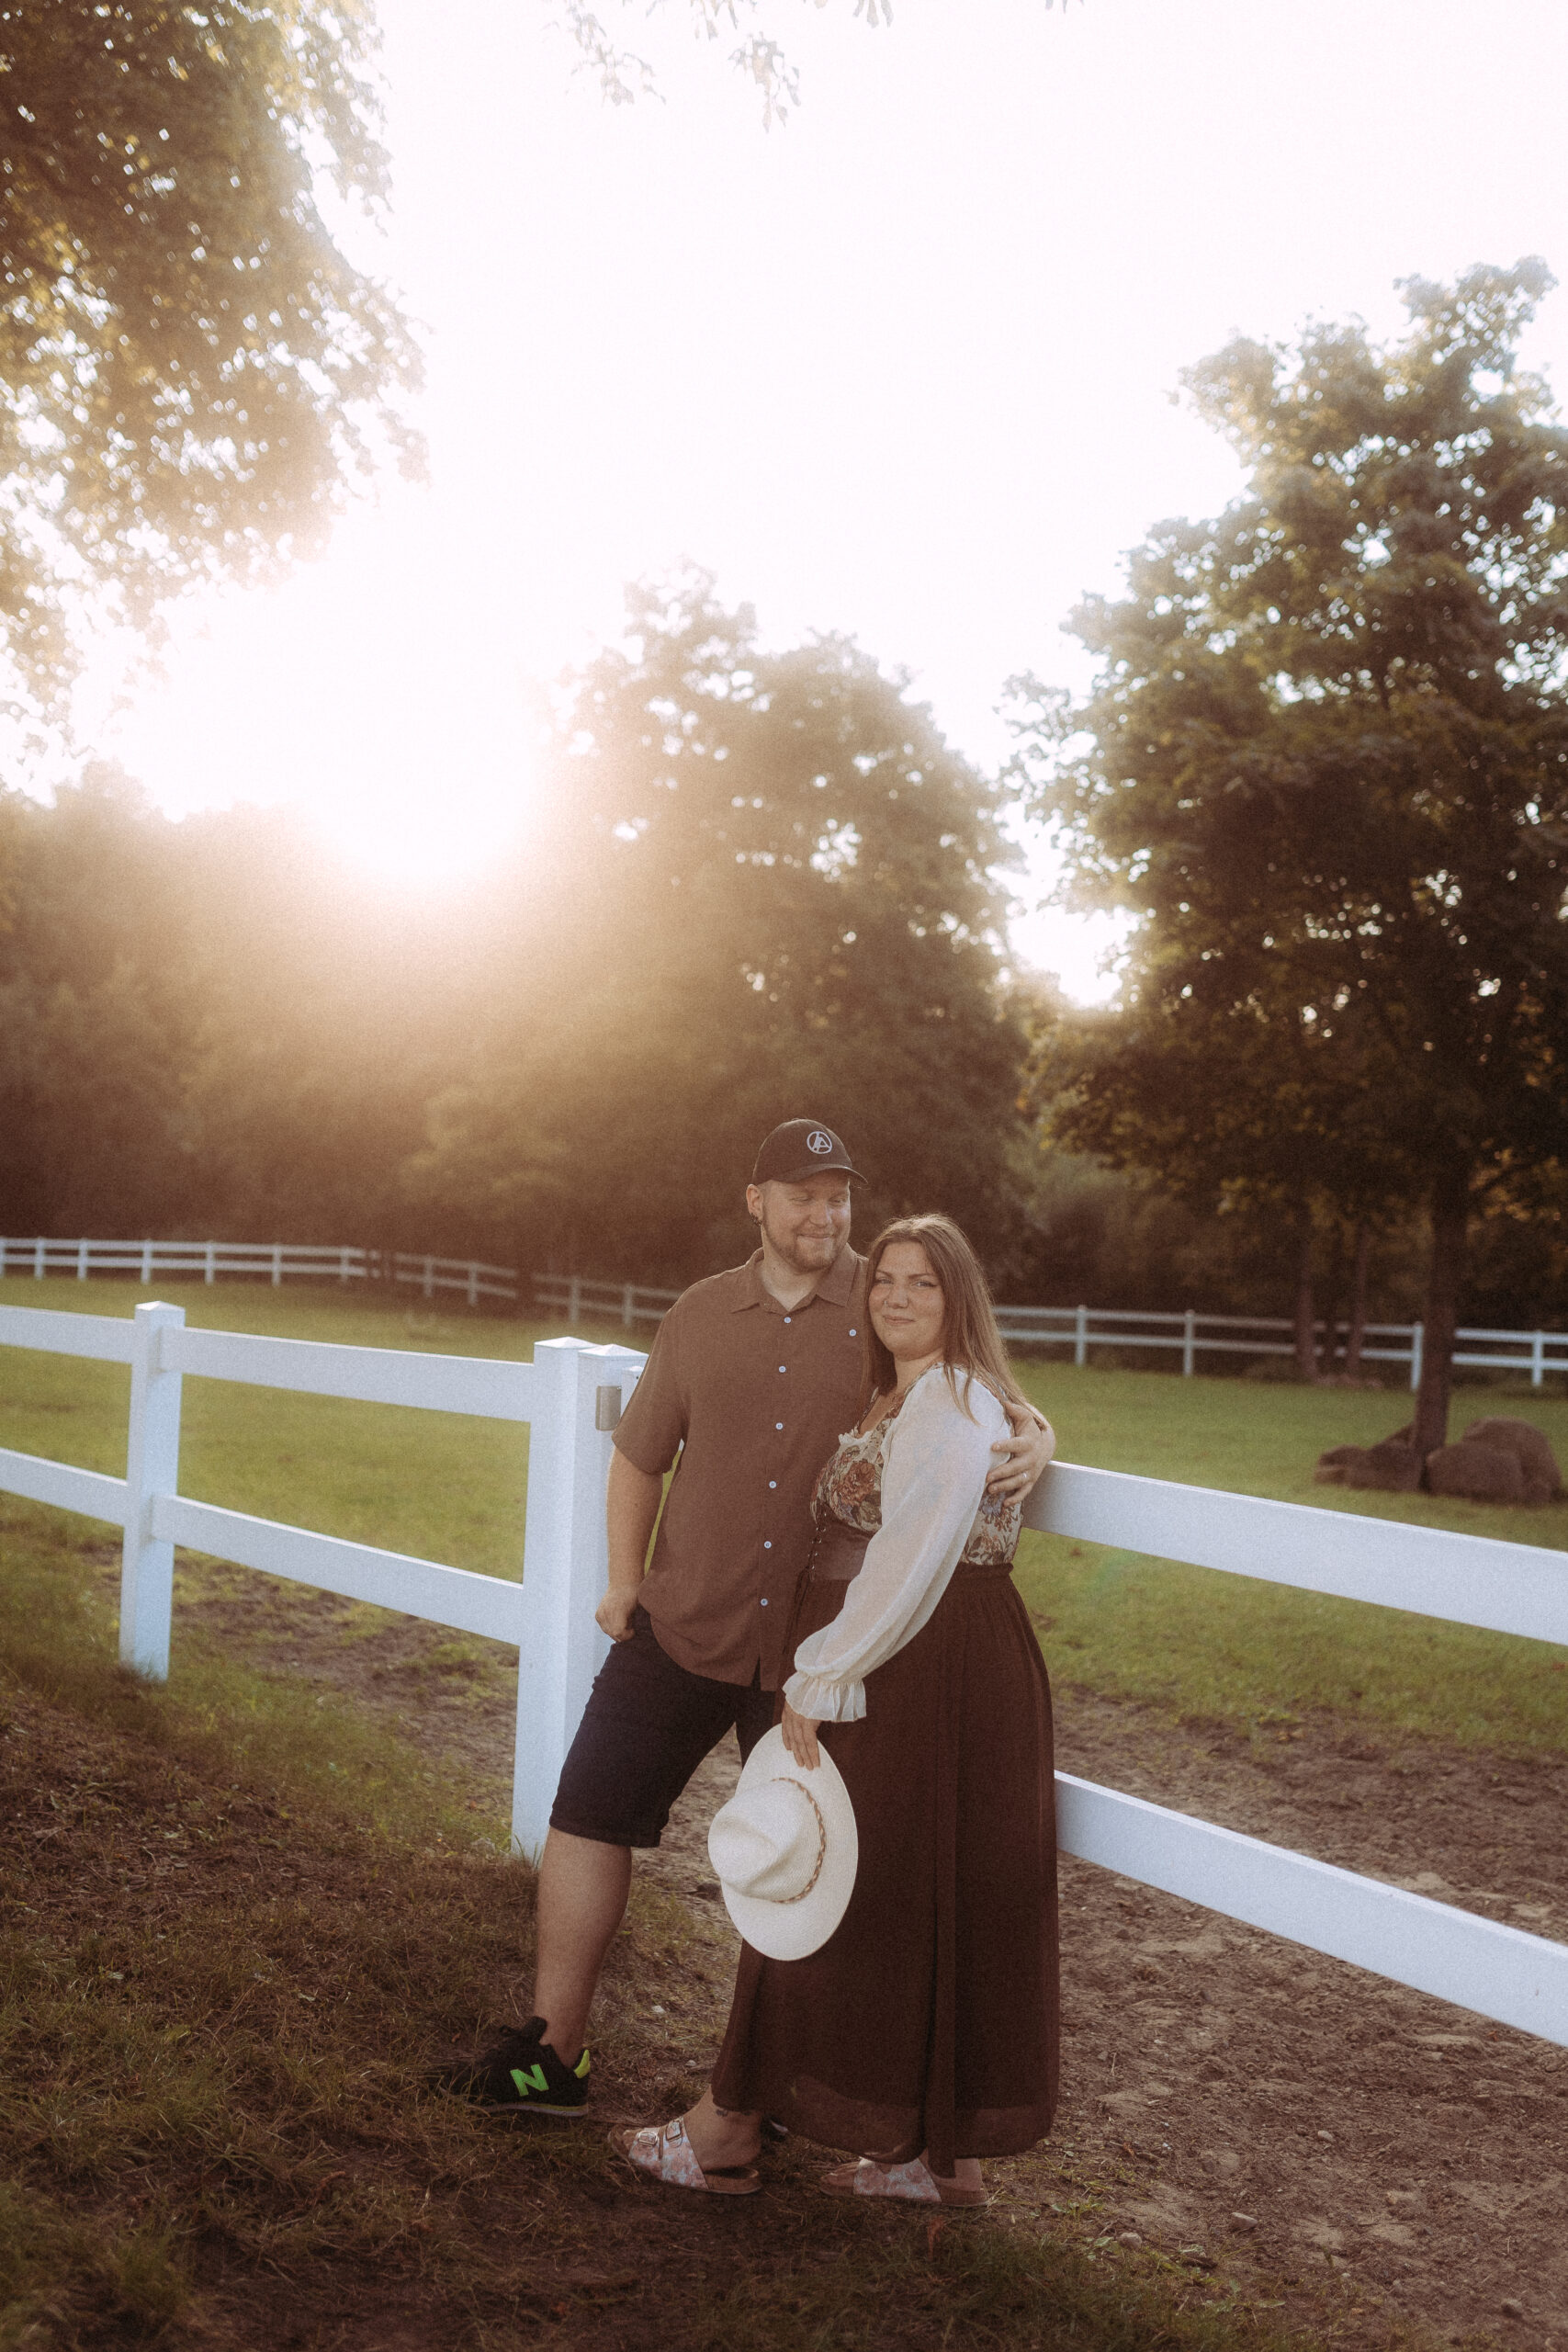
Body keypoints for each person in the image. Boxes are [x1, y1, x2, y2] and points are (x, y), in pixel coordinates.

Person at [435, 1127, 1053, 2118]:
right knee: (588, 1810)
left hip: (821, 1656)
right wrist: (622, 1578)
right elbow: (640, 1454)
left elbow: (966, 1388)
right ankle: (553, 2055)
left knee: (814, 1867)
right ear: (755, 1200)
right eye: (802, 1197)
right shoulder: (696, 1314)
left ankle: (770, 2101)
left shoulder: (888, 1302)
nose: (825, 1216)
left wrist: (1035, 1428)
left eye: (838, 1196)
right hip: (686, 1622)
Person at [613, 1212, 1058, 2202]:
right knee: (907, 1889)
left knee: (834, 1887)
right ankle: (939, 2159)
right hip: (921, 1659)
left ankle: (726, 2127)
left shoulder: (943, 1397)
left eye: (923, 1284)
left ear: (960, 1301)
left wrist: (820, 1674)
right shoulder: (923, 1389)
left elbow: (909, 1557)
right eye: (885, 1279)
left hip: (906, 1658)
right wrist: (1037, 1421)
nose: (896, 1295)